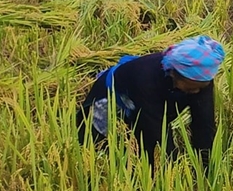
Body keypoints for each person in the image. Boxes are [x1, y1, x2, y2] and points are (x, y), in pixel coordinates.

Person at [78, 35, 224, 162]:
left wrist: (206, 168)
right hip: (113, 96)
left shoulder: (202, 79)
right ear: (174, 74)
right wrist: (173, 170)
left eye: (201, 87)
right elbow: (157, 133)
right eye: (192, 87)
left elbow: (204, 126)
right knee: (94, 143)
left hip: (153, 100)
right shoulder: (146, 79)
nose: (197, 91)